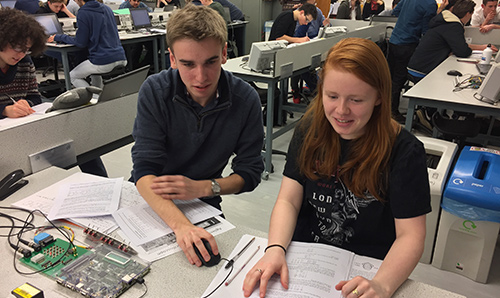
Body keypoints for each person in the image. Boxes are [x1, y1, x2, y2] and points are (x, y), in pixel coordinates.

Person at [242, 37, 430, 298]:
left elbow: (411, 236)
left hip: (369, 266)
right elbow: (288, 200)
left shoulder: (404, 151)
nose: (341, 111)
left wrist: (383, 284)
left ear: (378, 97)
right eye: (332, 96)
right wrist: (274, 248)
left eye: (356, 100)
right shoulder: (309, 131)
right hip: (308, 258)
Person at [131, 4, 264, 267]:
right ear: (171, 58)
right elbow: (144, 172)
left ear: (224, 53)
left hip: (204, 203)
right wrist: (182, 227)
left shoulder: (245, 99)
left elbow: (249, 174)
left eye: (210, 62)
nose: (200, 77)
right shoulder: (155, 91)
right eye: (188, 64)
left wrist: (204, 187)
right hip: (153, 201)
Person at [408, 0, 497, 80]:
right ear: (468, 14)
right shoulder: (454, 25)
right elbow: (463, 51)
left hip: (416, 65)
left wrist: (483, 47)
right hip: (423, 70)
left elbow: (459, 45)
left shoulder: (445, 20)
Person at [48, 0, 127, 89]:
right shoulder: (107, 9)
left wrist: (59, 37)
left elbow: (80, 42)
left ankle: (94, 97)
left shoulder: (84, 12)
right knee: (93, 73)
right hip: (121, 56)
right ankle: (100, 95)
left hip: (103, 60)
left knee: (72, 76)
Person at [387, 0, 439, 123]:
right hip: (407, 44)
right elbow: (426, 30)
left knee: (389, 78)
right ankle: (393, 113)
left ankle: (386, 110)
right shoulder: (430, 4)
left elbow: (395, 11)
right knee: (398, 80)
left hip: (394, 41)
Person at [0, 8, 46, 119]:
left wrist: (26, 104)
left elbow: (35, 98)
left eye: (26, 50)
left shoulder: (25, 63)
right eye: (17, 48)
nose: (21, 55)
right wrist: (4, 110)